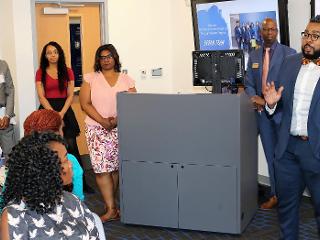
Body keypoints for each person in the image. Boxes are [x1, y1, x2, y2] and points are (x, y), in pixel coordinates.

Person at [264, 15, 320, 239]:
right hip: (287, 151)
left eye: (316, 36)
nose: (309, 40)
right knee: (286, 211)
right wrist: (271, 105)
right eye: (306, 34)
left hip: (316, 153)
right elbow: (278, 105)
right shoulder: (289, 63)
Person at [0, 132, 99, 239]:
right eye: (65, 160)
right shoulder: (14, 216)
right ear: (46, 170)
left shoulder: (71, 200)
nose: (70, 164)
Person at [80, 44, 136, 222]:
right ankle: (111, 208)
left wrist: (117, 120)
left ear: (115, 58)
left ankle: (111, 206)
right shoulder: (90, 79)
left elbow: (134, 104)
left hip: (120, 129)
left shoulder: (127, 79)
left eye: (109, 56)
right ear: (98, 60)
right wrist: (103, 121)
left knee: (115, 168)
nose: (106, 60)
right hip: (96, 129)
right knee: (101, 169)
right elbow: (85, 104)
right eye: (102, 57)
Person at [245, 18, 296, 210]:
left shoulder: (289, 54)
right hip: (263, 116)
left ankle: (289, 196)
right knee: (271, 157)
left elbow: (290, 85)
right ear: (260, 32)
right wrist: (255, 98)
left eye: (273, 30)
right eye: (266, 30)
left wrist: (271, 100)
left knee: (284, 157)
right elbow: (249, 83)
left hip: (282, 114)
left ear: (277, 32)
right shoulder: (254, 55)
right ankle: (275, 194)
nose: (269, 33)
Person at [35, 41, 93, 193]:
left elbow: (70, 95)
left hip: (65, 110)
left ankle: (82, 183)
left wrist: (61, 113)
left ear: (59, 54)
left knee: (72, 147)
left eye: (55, 52)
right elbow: (41, 97)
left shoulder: (68, 71)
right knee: (47, 146)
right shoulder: (40, 72)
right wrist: (54, 114)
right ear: (45, 56)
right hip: (47, 110)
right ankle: (50, 183)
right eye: (49, 53)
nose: (52, 55)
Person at [23, 109, 85, 200]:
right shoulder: (70, 162)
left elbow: (5, 203)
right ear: (56, 135)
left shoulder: (19, 163)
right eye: (61, 129)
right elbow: (78, 200)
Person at [0, 60, 15, 163]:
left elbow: (10, 91)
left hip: (4, 116)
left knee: (11, 156)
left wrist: (8, 115)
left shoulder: (3, 65)